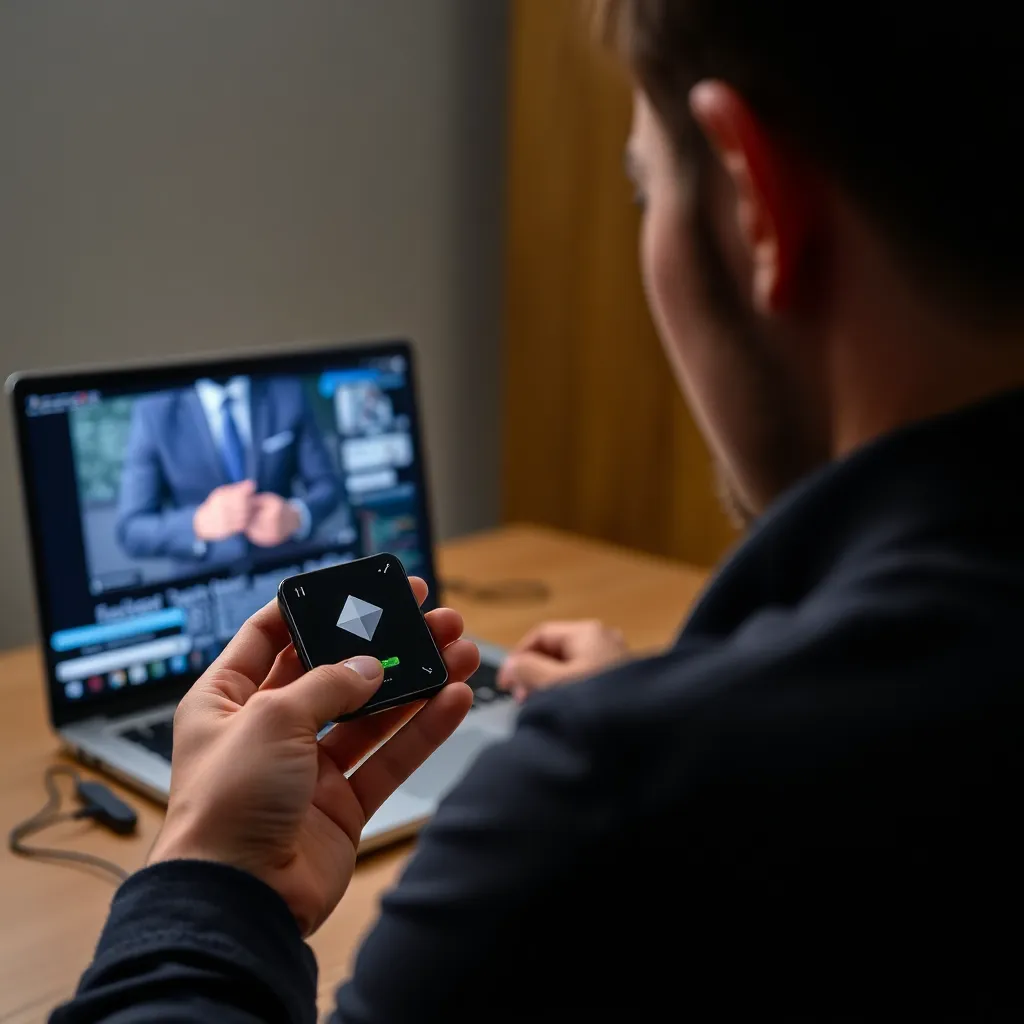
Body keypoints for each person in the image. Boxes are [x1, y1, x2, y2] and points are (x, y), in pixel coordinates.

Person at [53, 2, 1024, 1019]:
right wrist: (687, 697)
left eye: (643, 186)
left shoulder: (601, 810)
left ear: (752, 200)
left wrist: (210, 881)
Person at [115, 375, 344, 567]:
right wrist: (199, 523)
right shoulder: (152, 408)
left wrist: (297, 516)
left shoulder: (286, 389)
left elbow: (328, 486)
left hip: (287, 571)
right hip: (204, 582)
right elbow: (131, 530)